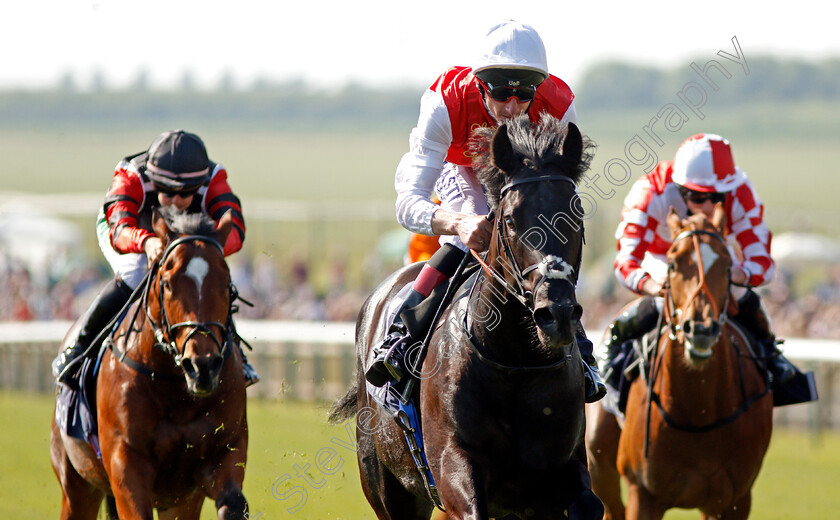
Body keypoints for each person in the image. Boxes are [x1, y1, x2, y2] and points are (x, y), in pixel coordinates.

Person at [365, 20, 606, 403]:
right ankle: (403, 332)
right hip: (457, 166)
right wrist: (458, 223)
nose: (512, 107)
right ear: (480, 84)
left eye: (524, 94)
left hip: (522, 173)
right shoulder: (445, 102)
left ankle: (577, 342)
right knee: (476, 214)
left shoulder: (559, 103)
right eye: (500, 93)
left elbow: (563, 186)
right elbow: (408, 202)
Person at [52, 130, 259, 386]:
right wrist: (147, 242)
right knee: (134, 272)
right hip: (128, 230)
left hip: (184, 239)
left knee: (205, 278)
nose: (175, 202)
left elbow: (235, 228)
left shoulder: (214, 178)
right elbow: (120, 230)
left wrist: (204, 251)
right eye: (167, 193)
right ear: (154, 181)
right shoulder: (131, 175)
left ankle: (235, 352)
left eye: (186, 194)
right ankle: (80, 348)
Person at [603, 133, 796, 387]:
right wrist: (653, 287)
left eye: (716, 198)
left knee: (740, 293)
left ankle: (772, 354)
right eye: (697, 198)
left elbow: (763, 263)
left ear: (727, 190)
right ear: (680, 189)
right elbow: (625, 263)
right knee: (666, 299)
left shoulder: (740, 191)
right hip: (663, 257)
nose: (707, 207)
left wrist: (734, 276)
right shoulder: (651, 191)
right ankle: (608, 355)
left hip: (714, 253)